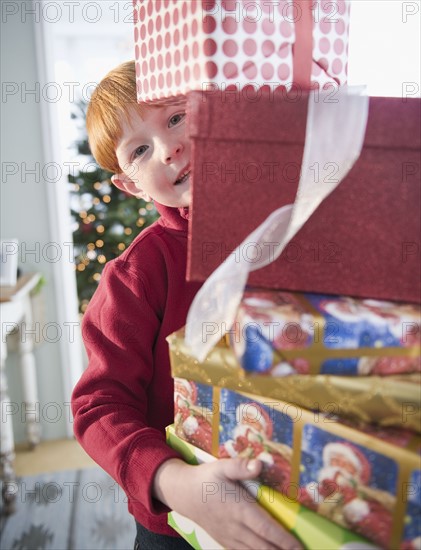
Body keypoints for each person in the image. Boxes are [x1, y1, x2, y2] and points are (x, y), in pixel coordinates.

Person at [71, 60, 302, 550]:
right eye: (139, 150)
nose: (169, 148)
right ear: (130, 184)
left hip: (289, 498)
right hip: (178, 520)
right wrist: (173, 483)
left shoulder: (285, 229)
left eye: (176, 118)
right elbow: (99, 407)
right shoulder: (135, 275)